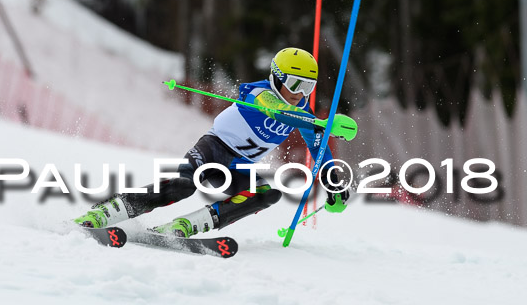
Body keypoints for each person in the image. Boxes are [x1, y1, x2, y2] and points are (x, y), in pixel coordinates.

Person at [74, 47, 355, 237]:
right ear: (277, 78)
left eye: (308, 87)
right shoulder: (259, 92)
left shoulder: (304, 114)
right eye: (295, 84)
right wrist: (321, 122)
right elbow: (273, 108)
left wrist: (335, 185)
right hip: (214, 149)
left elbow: (319, 149)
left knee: (268, 193)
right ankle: (108, 211)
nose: (300, 94)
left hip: (239, 167)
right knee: (183, 186)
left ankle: (187, 225)